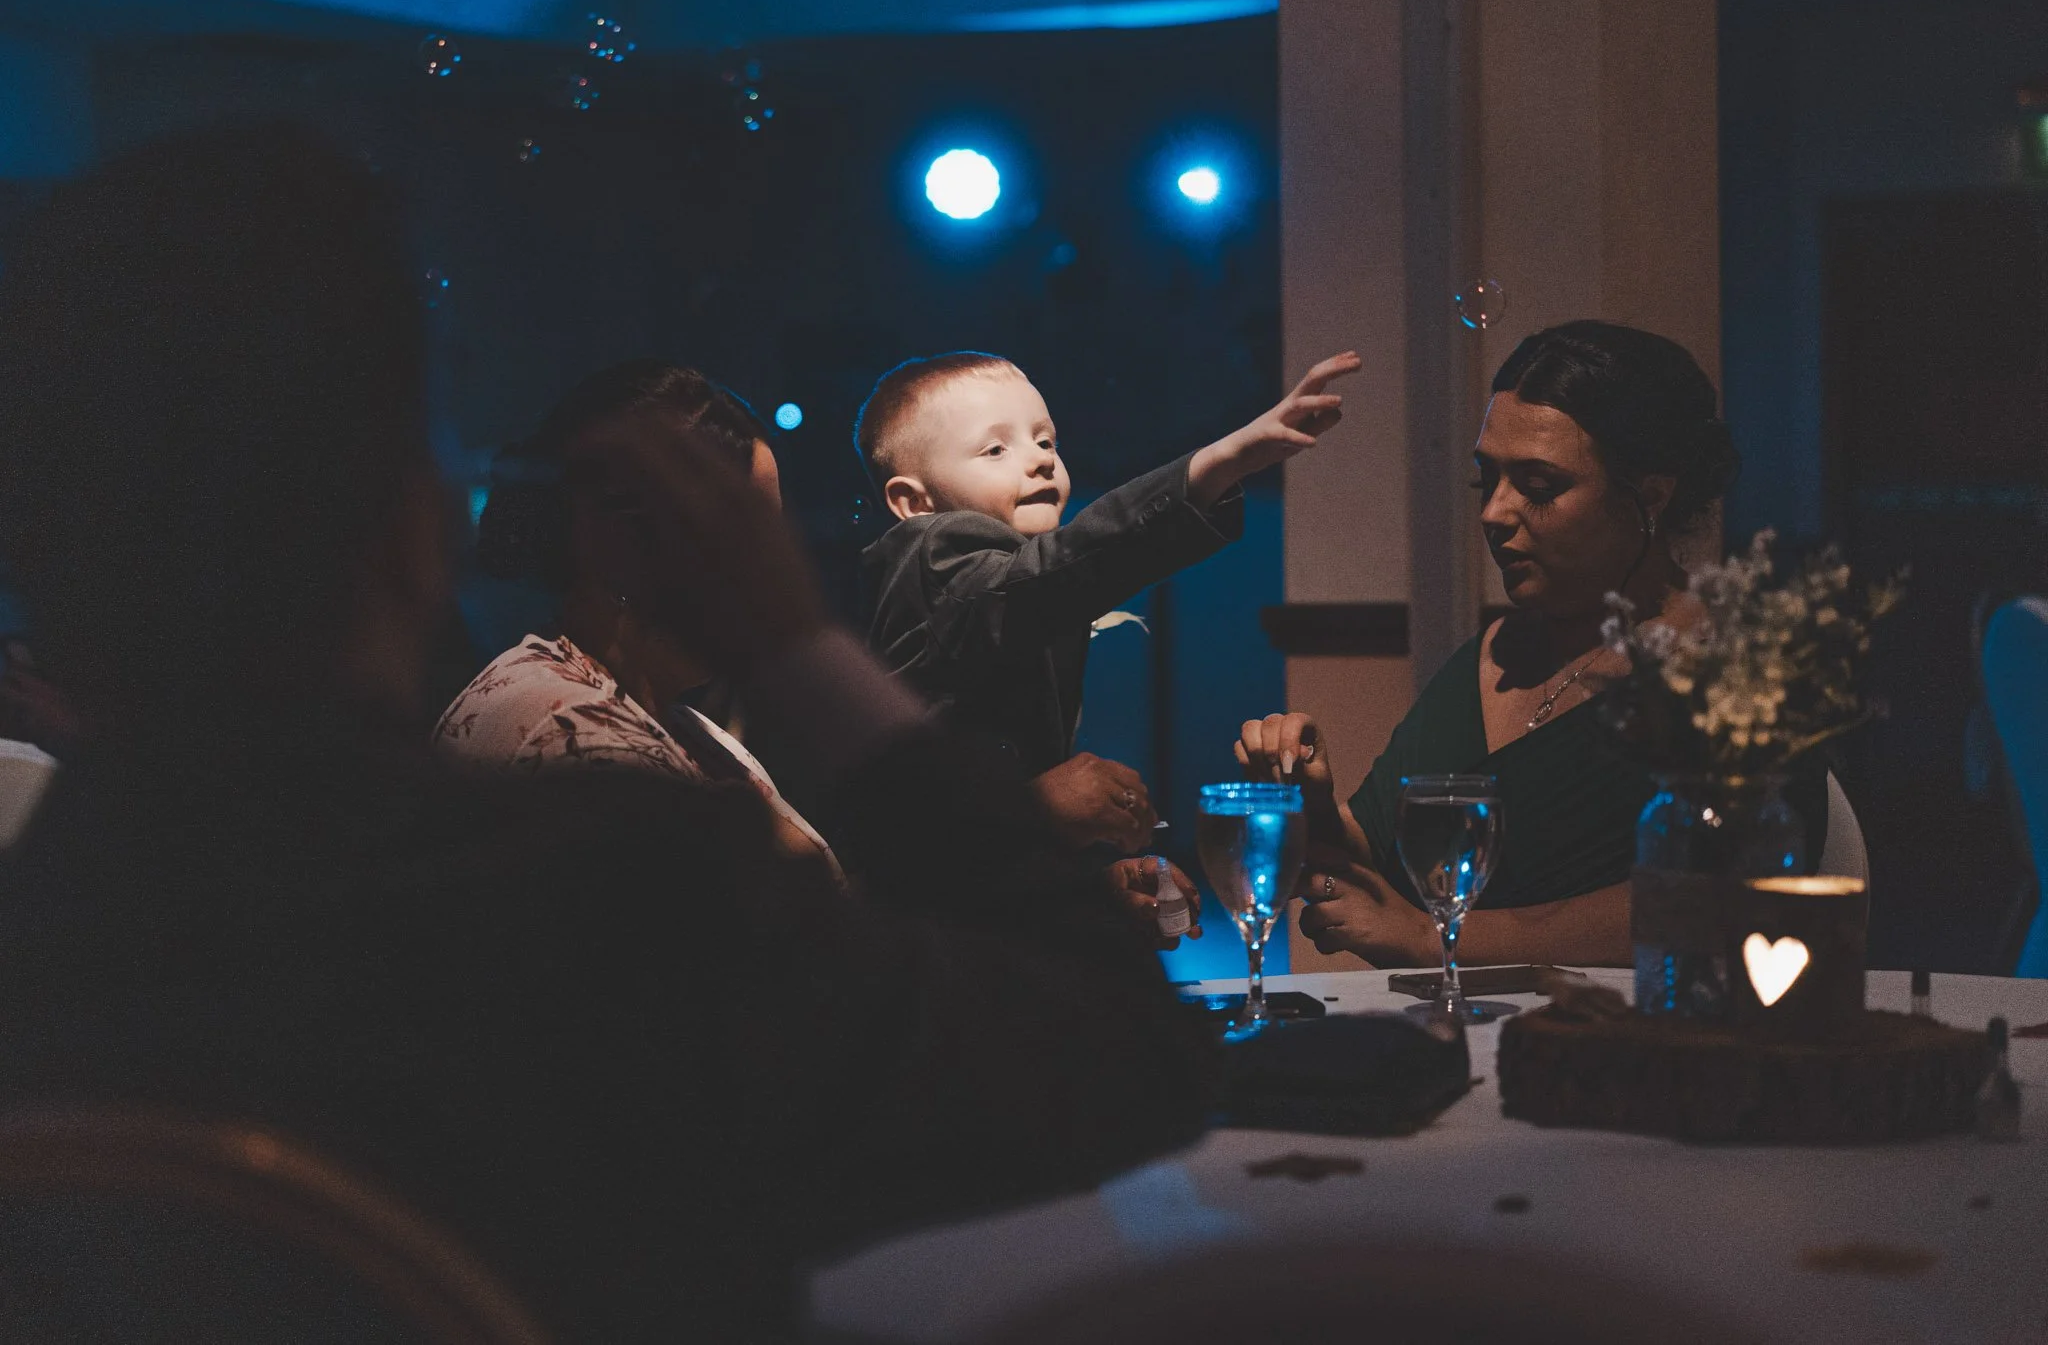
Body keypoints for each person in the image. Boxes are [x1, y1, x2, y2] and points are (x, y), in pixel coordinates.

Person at [0, 125, 1214, 1340]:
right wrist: (801, 654)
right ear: (418, 527)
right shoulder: (597, 876)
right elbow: (1113, 1065)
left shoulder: (47, 934)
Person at [1237, 321, 1825, 968]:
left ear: (1651, 497)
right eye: (1486, 480)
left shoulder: (1736, 669)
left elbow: (1724, 901)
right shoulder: (1496, 655)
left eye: (1539, 487)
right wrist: (1313, 801)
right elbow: (1377, 858)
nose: (1494, 512)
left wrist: (1434, 940)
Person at [857, 347, 1360, 860]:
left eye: (1045, 439)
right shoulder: (933, 558)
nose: (1041, 459)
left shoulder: (1025, 587)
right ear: (915, 504)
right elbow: (1045, 576)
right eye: (995, 451)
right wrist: (1219, 463)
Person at [439, 359, 840, 879]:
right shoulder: (568, 731)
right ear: (625, 550)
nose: (779, 561)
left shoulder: (675, 721)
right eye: (749, 533)